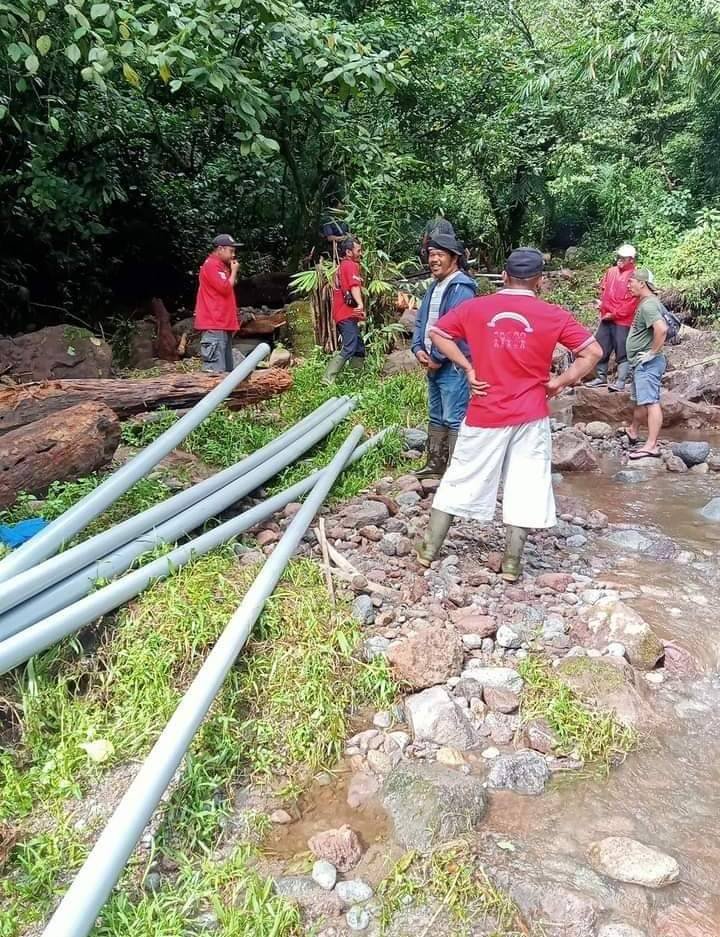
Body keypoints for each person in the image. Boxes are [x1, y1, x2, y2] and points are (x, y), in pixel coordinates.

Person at [416, 247, 602, 581]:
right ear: (540, 282)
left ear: (503, 276)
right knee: (527, 485)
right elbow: (593, 352)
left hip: (484, 412)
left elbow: (438, 333)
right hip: (530, 415)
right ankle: (513, 565)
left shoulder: (476, 307)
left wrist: (468, 368)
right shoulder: (553, 314)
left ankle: (429, 551)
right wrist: (560, 381)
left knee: (460, 477)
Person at [411, 232, 478, 478]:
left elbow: (457, 330)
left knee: (454, 415)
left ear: (454, 258)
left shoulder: (461, 288)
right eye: (431, 255)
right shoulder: (435, 286)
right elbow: (422, 321)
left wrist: (437, 358)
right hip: (434, 362)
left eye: (440, 255)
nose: (434, 260)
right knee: (436, 414)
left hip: (454, 364)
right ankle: (435, 465)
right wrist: (418, 347)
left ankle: (457, 469)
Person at [624, 269, 668, 460]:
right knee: (641, 400)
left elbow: (662, 329)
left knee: (651, 402)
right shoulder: (647, 303)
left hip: (648, 364)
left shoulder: (649, 305)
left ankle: (651, 445)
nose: (628, 285)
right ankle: (633, 430)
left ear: (642, 283)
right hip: (640, 363)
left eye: (631, 281)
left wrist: (652, 353)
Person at [587, 244, 639, 391]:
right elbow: (603, 290)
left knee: (622, 351)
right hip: (606, 317)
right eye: (619, 257)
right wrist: (602, 306)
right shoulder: (610, 272)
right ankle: (601, 377)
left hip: (622, 320)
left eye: (623, 258)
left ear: (631, 259)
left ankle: (621, 382)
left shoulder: (634, 276)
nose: (619, 260)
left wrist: (614, 314)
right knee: (601, 346)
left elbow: (632, 302)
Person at [194, 234, 241, 372]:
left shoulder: (221, 266)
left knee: (226, 370)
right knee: (215, 372)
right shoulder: (212, 265)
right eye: (231, 251)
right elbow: (225, 288)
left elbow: (229, 285)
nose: (233, 255)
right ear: (220, 249)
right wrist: (234, 271)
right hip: (214, 323)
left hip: (222, 323)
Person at [323, 237, 366, 383]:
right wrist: (360, 304)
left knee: (359, 348)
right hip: (345, 314)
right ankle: (327, 379)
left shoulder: (344, 266)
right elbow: (354, 286)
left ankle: (354, 379)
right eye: (358, 250)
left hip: (347, 314)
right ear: (348, 252)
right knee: (350, 346)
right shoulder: (349, 265)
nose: (360, 253)